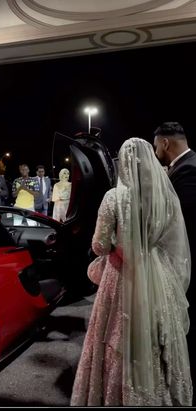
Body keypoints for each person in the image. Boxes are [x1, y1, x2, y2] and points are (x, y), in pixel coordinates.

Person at [70, 137, 192, 406]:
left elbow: (100, 245)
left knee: (117, 336)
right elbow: (172, 238)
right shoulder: (163, 195)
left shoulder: (114, 197)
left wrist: (116, 243)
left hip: (121, 273)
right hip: (158, 270)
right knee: (155, 336)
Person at [154, 121, 196, 403]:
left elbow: (183, 222)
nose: (155, 149)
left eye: (156, 144)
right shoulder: (186, 165)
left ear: (166, 143)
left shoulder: (189, 170)